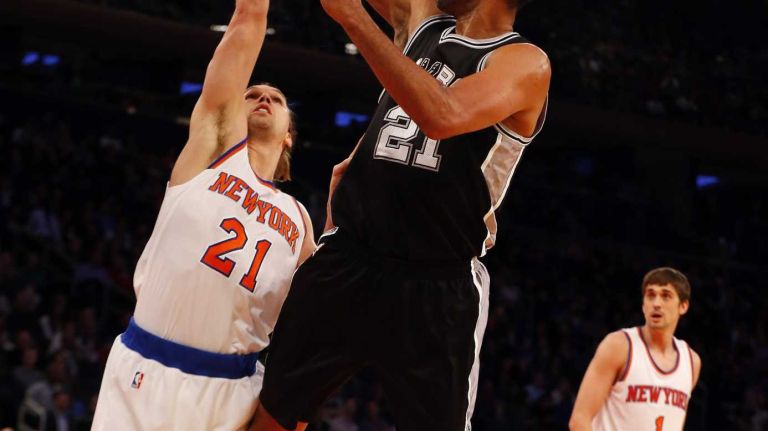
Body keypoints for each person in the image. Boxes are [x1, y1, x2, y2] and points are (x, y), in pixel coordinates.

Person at [250, 0, 551, 429]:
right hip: (350, 257)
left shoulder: (525, 62)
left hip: (436, 283)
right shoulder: (424, 23)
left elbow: (442, 114)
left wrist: (353, 18)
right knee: (273, 416)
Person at [91, 0, 316, 428]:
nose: (264, 97)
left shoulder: (301, 219)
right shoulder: (212, 154)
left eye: (277, 98)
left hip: (232, 389)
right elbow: (247, 22)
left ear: (289, 136)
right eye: (253, 94)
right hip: (146, 364)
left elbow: (313, 324)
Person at [569, 267, 702, 431]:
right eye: (650, 295)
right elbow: (579, 420)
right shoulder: (619, 346)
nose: (656, 303)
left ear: (683, 306)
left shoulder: (691, 361)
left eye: (666, 296)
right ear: (643, 305)